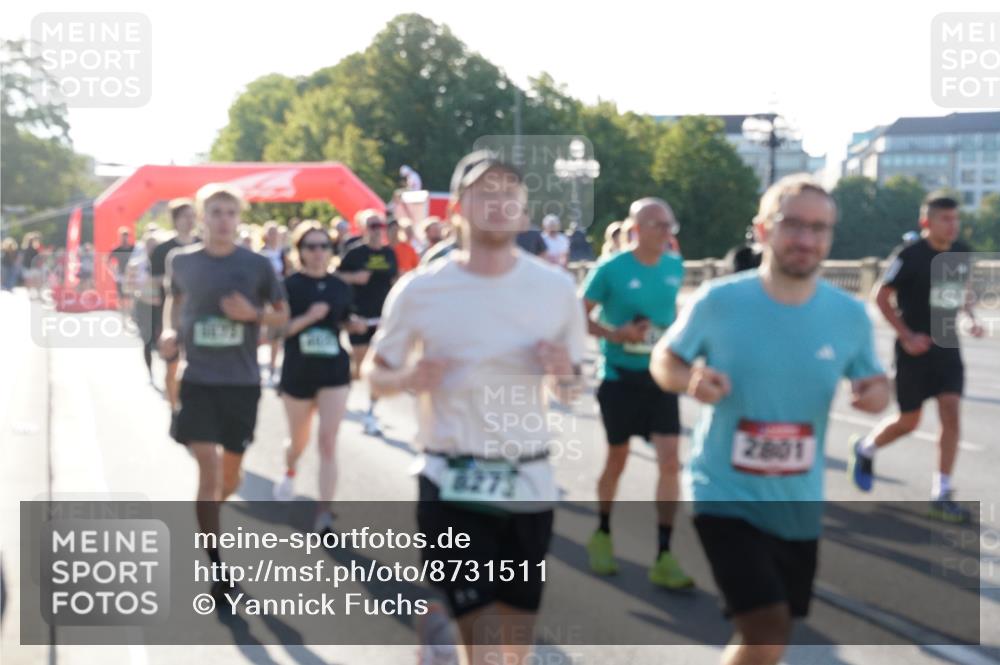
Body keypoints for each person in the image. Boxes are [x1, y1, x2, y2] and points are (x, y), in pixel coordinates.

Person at [650, 175, 889, 665]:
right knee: (766, 626)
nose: (806, 240)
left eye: (819, 229)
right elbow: (664, 360)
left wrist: (874, 394)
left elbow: (876, 383)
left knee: (769, 635)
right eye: (794, 225)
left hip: (797, 501)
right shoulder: (719, 301)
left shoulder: (849, 316)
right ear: (762, 230)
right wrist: (689, 378)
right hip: (724, 493)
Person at [364, 149, 586, 665]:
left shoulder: (555, 289)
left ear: (525, 211)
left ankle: (438, 631)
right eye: (485, 192)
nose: (499, 202)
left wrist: (564, 372)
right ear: (459, 208)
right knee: (484, 649)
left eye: (510, 192)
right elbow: (374, 374)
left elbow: (573, 390)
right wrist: (408, 378)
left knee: (515, 647)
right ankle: (447, 633)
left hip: (529, 482)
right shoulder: (421, 290)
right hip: (451, 478)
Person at [158, 184, 288, 600]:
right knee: (209, 472)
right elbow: (174, 302)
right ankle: (216, 566)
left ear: (239, 218)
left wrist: (254, 315)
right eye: (215, 212)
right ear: (201, 216)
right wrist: (168, 331)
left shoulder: (257, 266)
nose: (223, 220)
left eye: (231, 213)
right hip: (198, 380)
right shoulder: (182, 261)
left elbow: (282, 317)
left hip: (242, 382)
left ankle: (213, 505)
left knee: (228, 477)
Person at [849, 192, 984, 522]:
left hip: (947, 347)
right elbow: (880, 297)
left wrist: (969, 316)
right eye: (945, 219)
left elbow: (961, 288)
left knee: (951, 413)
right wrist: (906, 336)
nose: (952, 226)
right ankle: (865, 448)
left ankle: (941, 492)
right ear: (927, 222)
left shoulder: (961, 252)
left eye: (956, 219)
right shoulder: (909, 255)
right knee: (909, 422)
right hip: (913, 350)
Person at [580, 197, 692, 589]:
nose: (666, 233)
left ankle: (664, 553)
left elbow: (672, 316)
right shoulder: (610, 268)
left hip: (659, 380)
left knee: (670, 462)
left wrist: (682, 349)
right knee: (618, 459)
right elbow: (580, 314)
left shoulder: (674, 267)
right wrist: (617, 334)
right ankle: (603, 532)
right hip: (618, 377)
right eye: (658, 225)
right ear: (637, 229)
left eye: (669, 225)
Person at [272, 222, 366, 533]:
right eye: (310, 246)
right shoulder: (288, 286)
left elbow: (344, 316)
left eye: (323, 246)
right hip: (298, 372)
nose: (318, 252)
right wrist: (308, 318)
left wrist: (351, 323)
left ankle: (324, 512)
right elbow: (276, 332)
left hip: (333, 372)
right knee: (298, 441)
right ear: (299, 251)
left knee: (327, 441)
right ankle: (290, 468)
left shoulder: (339, 285)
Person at [337, 209, 398, 436]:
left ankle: (370, 412)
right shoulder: (354, 254)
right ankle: (342, 387)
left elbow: (394, 280)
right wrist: (354, 278)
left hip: (383, 317)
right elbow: (336, 276)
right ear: (363, 229)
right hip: (359, 316)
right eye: (372, 226)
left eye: (380, 225)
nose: (377, 230)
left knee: (377, 366)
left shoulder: (389, 254)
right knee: (360, 365)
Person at [150, 198, 199, 412]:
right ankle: (174, 409)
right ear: (176, 220)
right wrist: (176, 281)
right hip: (171, 310)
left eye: (192, 216)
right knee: (172, 365)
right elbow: (154, 280)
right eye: (185, 216)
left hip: (198, 313)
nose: (190, 221)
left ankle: (190, 407)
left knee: (193, 366)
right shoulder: (164, 249)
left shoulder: (203, 245)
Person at [126, 233, 161, 381]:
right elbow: (129, 287)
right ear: (145, 246)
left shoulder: (165, 263)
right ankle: (150, 372)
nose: (152, 248)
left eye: (155, 245)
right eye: (150, 245)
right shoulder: (136, 265)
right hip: (144, 305)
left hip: (160, 305)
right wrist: (143, 295)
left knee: (161, 339)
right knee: (147, 339)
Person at [259, 221, 287, 387]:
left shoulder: (281, 253)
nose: (274, 235)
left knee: (277, 334)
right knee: (265, 334)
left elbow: (285, 273)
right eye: (271, 232)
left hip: (279, 296)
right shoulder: (261, 254)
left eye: (275, 232)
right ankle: (262, 364)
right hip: (264, 298)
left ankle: (272, 367)